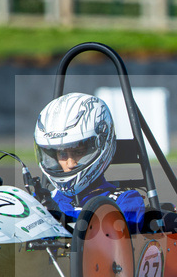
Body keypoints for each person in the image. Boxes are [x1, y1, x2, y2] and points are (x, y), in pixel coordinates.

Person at [34, 92, 146, 230]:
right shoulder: (43, 201)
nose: (70, 164)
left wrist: (60, 219)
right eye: (62, 154)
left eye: (78, 152)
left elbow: (111, 239)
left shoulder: (125, 202)